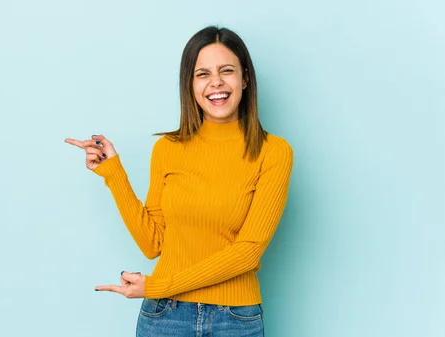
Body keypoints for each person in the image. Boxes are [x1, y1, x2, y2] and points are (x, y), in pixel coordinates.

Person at [65, 25, 293, 337]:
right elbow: (152, 243)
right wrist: (113, 173)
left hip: (235, 320)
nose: (216, 82)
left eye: (226, 70)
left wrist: (160, 285)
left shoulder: (273, 152)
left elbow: (248, 251)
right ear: (190, 83)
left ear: (245, 78)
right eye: (202, 74)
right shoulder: (168, 149)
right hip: (164, 317)